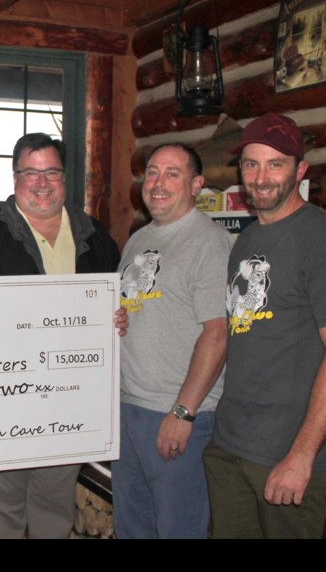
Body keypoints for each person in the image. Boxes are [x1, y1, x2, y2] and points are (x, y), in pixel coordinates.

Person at [203, 112, 326, 538]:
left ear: (300, 170)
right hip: (231, 443)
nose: (261, 177)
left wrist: (301, 455)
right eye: (251, 164)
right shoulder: (249, 238)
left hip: (285, 452)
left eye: (275, 164)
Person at [0, 133, 121, 539]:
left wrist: (120, 319)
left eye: (51, 172)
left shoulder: (95, 237)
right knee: (2, 507)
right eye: (31, 173)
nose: (42, 183)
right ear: (15, 180)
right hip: (5, 401)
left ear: (65, 179)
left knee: (53, 506)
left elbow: (121, 306)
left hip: (69, 400)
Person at [113, 143, 231, 538]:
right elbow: (139, 311)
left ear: (196, 184)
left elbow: (218, 334)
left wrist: (183, 414)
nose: (157, 183)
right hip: (128, 409)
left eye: (172, 174)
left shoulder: (209, 242)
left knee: (178, 530)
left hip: (175, 414)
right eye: (151, 172)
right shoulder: (138, 239)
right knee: (134, 528)